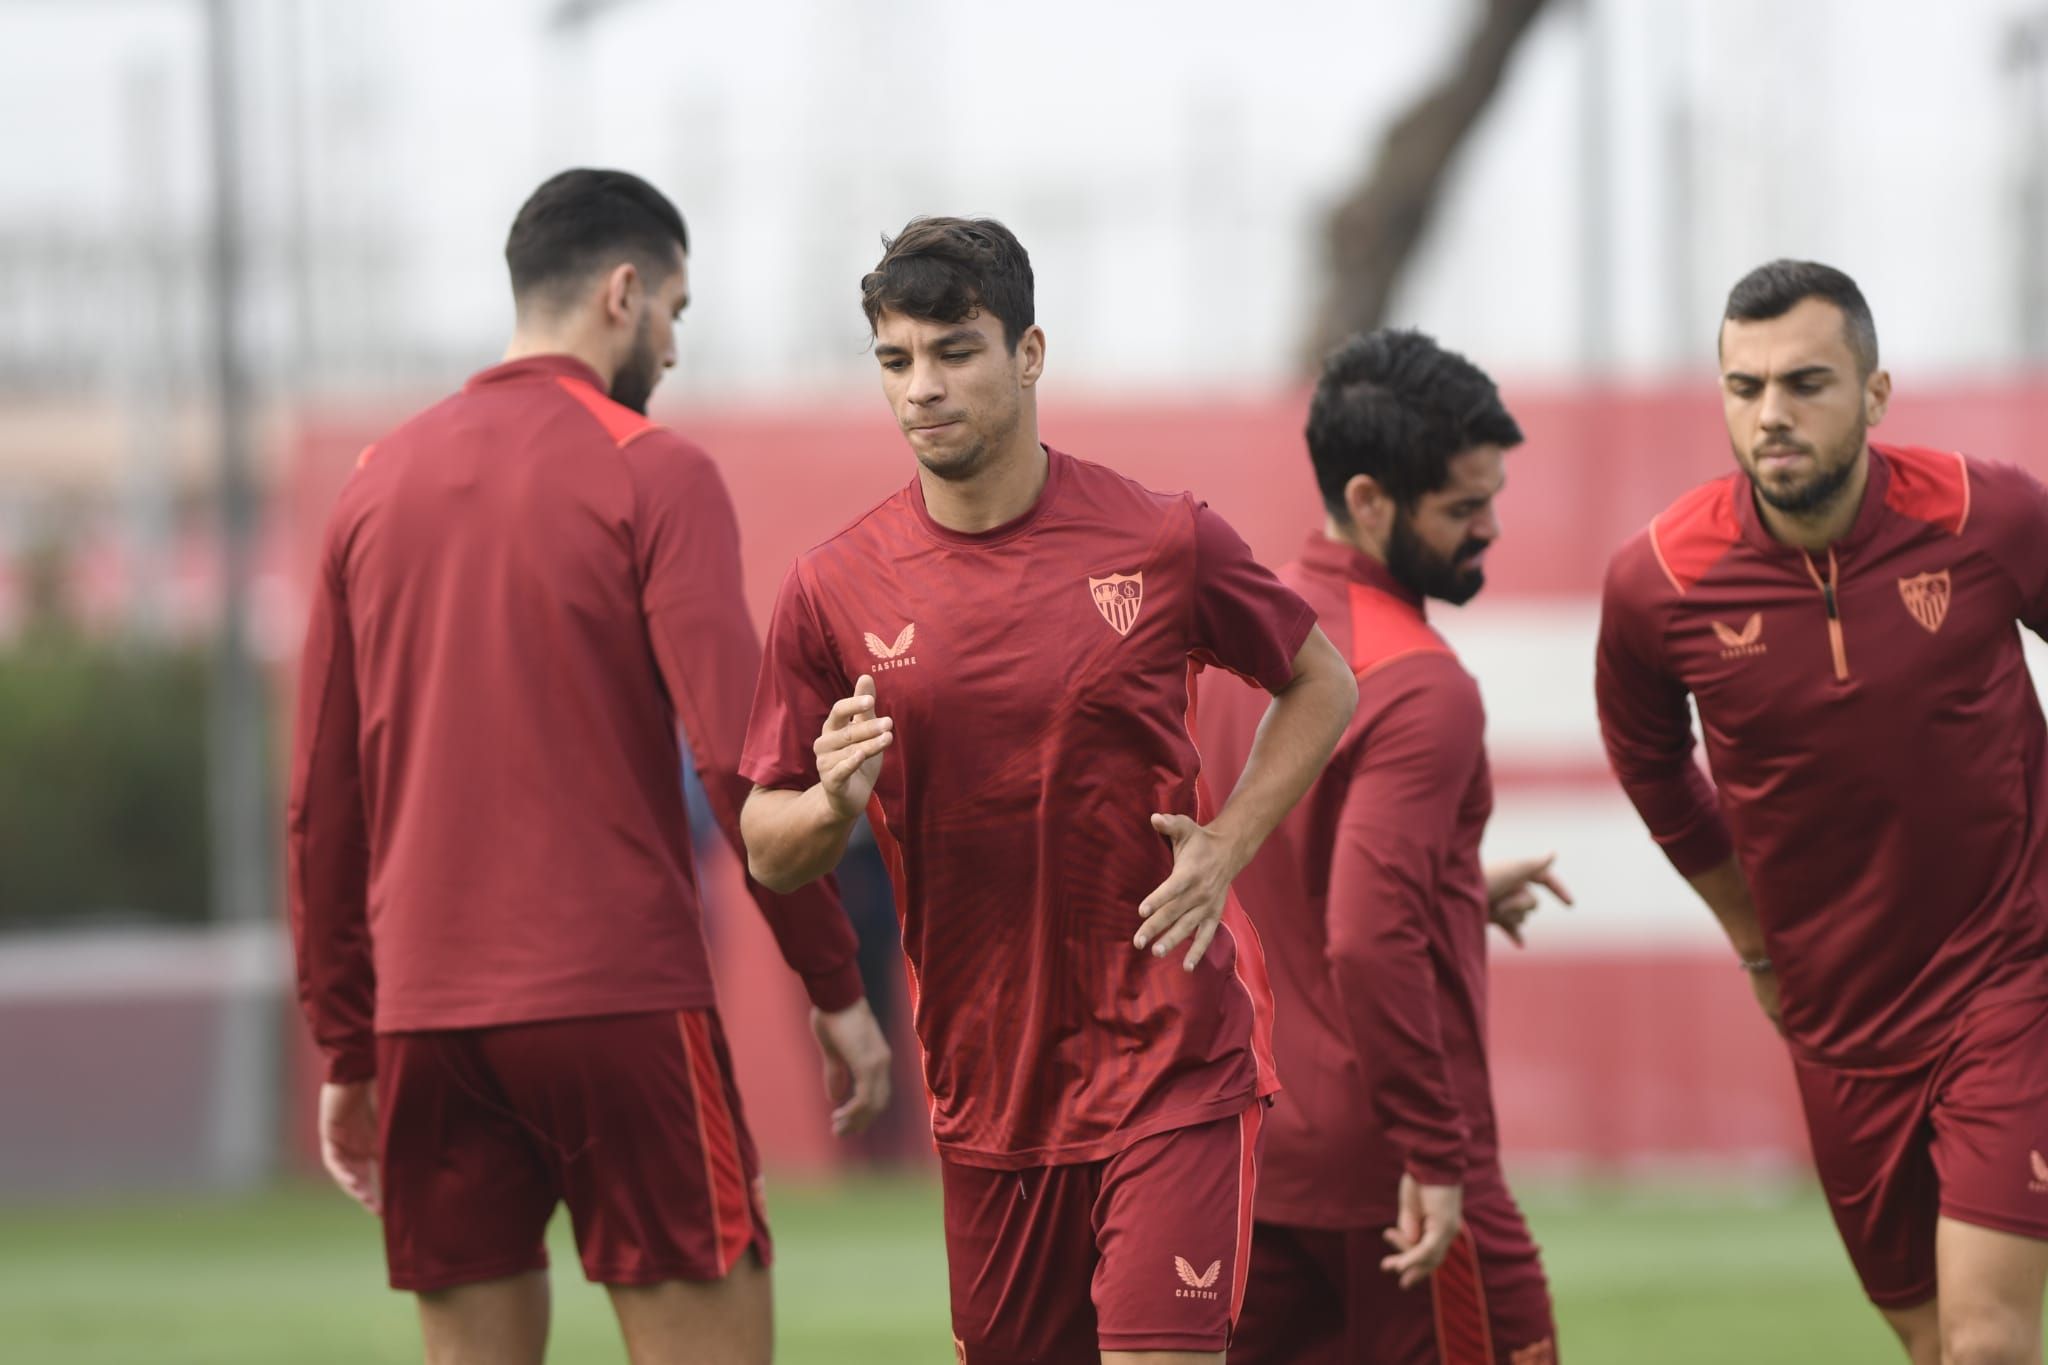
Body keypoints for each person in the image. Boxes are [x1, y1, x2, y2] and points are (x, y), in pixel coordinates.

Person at [287, 168, 892, 1365]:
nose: (671, 348)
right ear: (624, 293)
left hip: (426, 1022)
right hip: (617, 1003)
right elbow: (736, 762)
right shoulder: (654, 470)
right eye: (674, 311)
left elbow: (320, 807)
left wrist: (350, 1046)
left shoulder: (372, 484)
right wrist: (834, 987)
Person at [736, 216, 1357, 1364]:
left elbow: (1320, 682)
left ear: (1027, 354)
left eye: (954, 351)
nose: (922, 387)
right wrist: (827, 805)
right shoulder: (830, 591)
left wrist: (1223, 846)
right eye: (895, 360)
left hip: (1173, 1060)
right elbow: (765, 842)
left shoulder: (1160, 538)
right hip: (988, 1095)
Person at [1597, 259, 2048, 1365]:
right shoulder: (1656, 582)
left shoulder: (1986, 515)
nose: (1771, 415)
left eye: (1804, 383)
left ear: (1874, 394)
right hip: (1836, 1022)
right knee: (1934, 1340)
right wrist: (1751, 939)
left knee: (1988, 1342)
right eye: (1743, 388)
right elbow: (1648, 762)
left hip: (2012, 978)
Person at [1198, 328, 1565, 1365]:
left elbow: (1267, 869)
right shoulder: (1417, 681)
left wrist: (1450, 883)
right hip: (1395, 1175)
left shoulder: (1225, 646)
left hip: (1244, 1158)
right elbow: (1362, 937)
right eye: (1461, 507)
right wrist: (1434, 1153)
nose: (1489, 526)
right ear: (1367, 502)